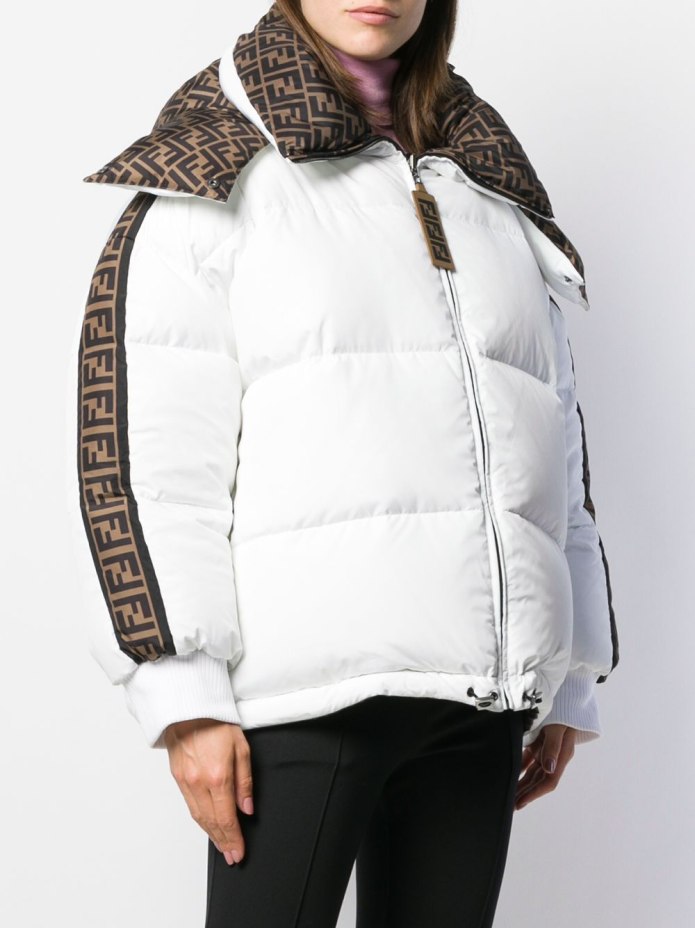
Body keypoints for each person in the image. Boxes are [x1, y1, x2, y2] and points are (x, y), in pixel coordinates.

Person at [65, 1, 620, 925]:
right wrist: (181, 693)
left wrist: (569, 673)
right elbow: (139, 461)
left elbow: (553, 439)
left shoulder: (485, 182)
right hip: (301, 706)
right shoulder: (211, 170)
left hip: (477, 704)